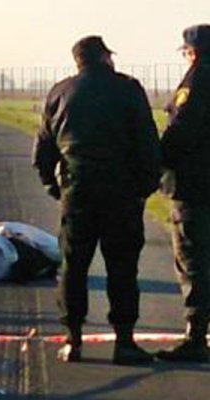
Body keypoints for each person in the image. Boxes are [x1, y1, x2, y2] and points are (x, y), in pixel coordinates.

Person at [32, 36, 161, 365]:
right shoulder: (129, 89)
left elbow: (43, 151)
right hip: (121, 194)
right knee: (122, 268)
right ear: (104, 57)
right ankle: (125, 341)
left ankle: (73, 339)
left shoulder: (59, 93)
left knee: (73, 267)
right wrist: (143, 188)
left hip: (78, 193)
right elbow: (148, 144)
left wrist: (54, 187)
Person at [156, 24, 210, 363]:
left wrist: (155, 164)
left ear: (193, 52)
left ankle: (195, 335)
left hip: (195, 184)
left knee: (193, 259)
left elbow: (180, 132)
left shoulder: (196, 82)